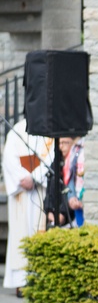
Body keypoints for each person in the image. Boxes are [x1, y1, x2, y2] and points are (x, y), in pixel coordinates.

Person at [1, 118, 51, 291]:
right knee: (20, 234)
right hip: (21, 191)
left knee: (39, 230)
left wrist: (35, 177)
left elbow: (50, 156)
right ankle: (20, 282)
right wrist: (23, 178)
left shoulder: (48, 128)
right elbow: (9, 158)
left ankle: (39, 280)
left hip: (39, 191)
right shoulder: (17, 129)